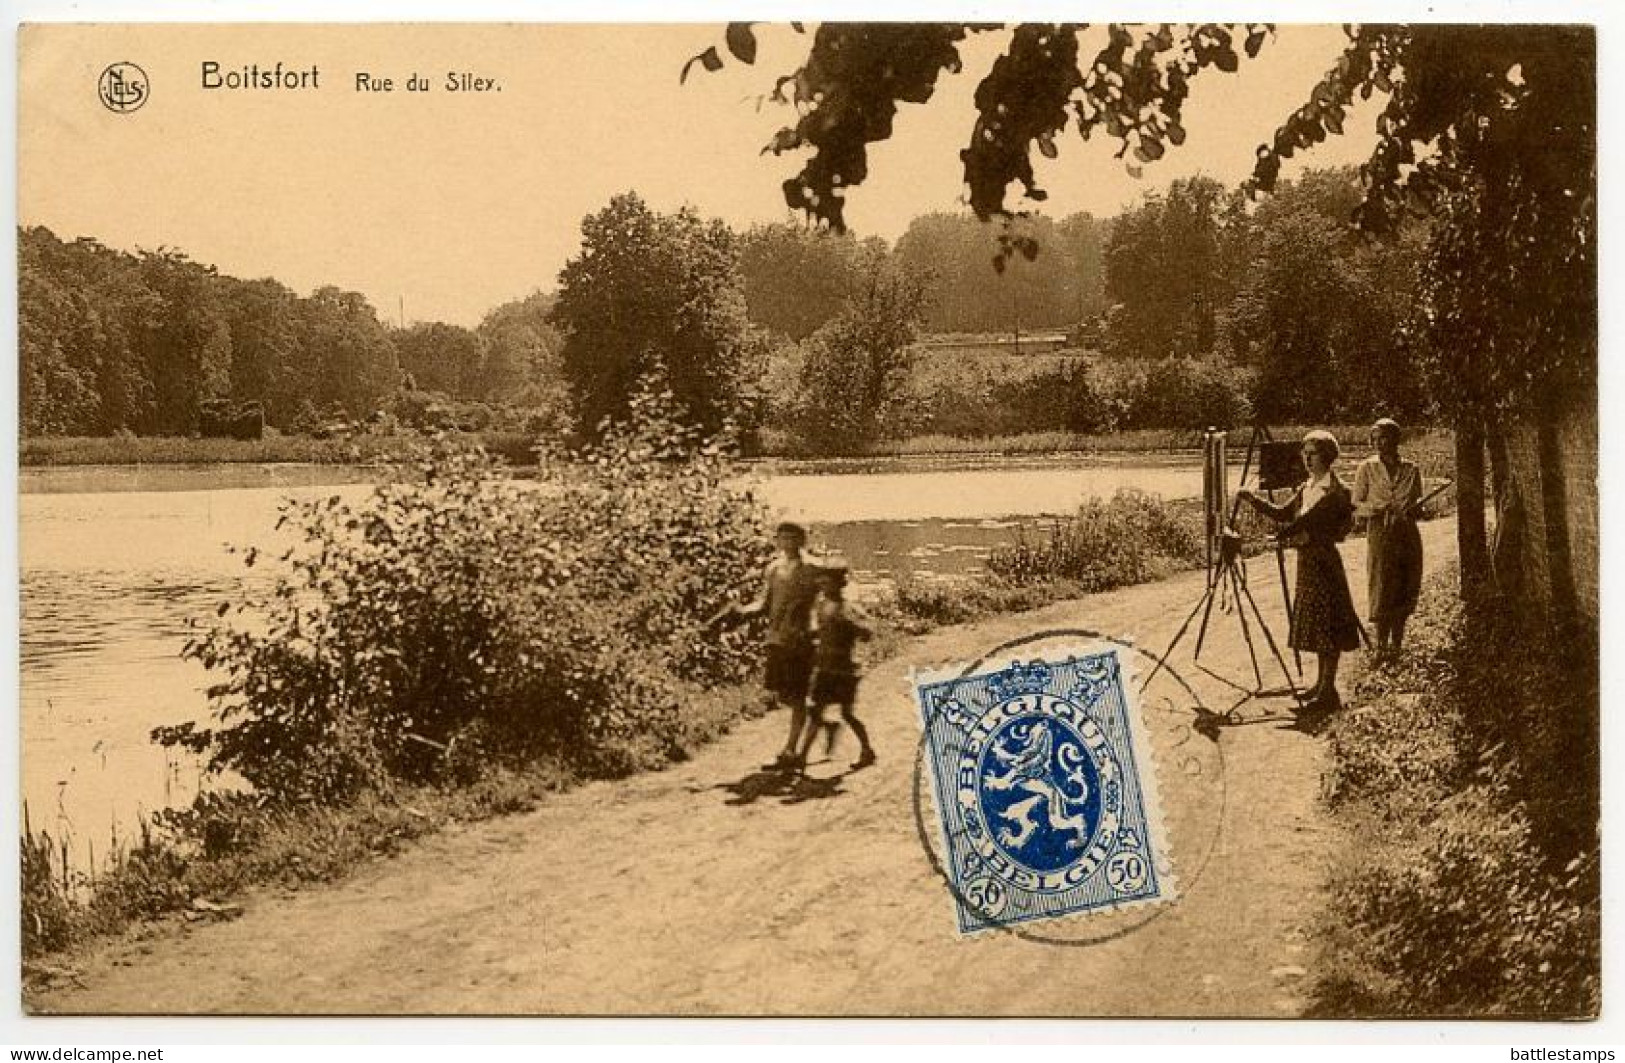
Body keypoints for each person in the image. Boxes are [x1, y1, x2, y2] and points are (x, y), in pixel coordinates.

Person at [1238, 429, 1363, 712]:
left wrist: (1281, 537)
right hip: (1307, 561)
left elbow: (1309, 521)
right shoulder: (1307, 487)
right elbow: (1284, 513)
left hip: (1324, 562)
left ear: (1327, 456)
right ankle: (1320, 686)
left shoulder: (1335, 491)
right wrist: (1252, 498)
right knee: (1318, 624)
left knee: (1328, 624)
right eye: (1304, 454)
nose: (1307, 459)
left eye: (1313, 453)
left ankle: (1328, 691)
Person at [712, 522, 822, 770]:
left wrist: (821, 625)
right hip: (777, 639)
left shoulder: (814, 568)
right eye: (783, 537)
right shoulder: (773, 569)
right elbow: (764, 604)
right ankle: (817, 722)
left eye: (793, 537)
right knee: (784, 694)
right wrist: (739, 611)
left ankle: (791, 750)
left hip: (802, 640)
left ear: (802, 539)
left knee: (796, 695)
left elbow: (830, 597)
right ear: (778, 540)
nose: (787, 542)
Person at [1352, 418, 1424, 655]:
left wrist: (1416, 510)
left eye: (1383, 437)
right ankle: (1381, 645)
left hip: (1406, 533)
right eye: (1374, 438)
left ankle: (1397, 644)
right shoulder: (1367, 468)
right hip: (1380, 532)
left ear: (1396, 440)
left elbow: (1418, 505)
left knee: (1404, 583)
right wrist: (1376, 509)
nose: (1378, 443)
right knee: (1383, 584)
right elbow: (1355, 504)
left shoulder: (1411, 470)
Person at [797, 560, 877, 771]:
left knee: (847, 714)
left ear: (838, 583)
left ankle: (867, 750)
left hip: (843, 669)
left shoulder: (847, 608)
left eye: (827, 581)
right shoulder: (822, 605)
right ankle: (801, 759)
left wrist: (852, 627)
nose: (822, 584)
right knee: (814, 710)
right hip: (824, 667)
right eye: (822, 581)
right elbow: (819, 632)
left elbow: (867, 633)